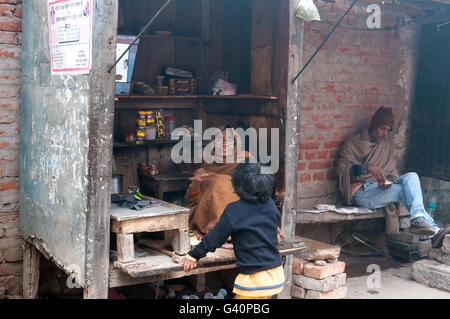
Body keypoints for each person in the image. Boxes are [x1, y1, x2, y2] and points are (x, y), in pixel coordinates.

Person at [336, 106, 449, 247]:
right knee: (406, 191)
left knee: (412, 177)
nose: (385, 133)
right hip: (361, 193)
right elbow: (342, 169)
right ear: (373, 124)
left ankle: (419, 220)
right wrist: (366, 168)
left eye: (388, 130)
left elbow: (392, 173)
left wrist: (387, 181)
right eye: (382, 128)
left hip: (381, 190)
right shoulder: (353, 143)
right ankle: (433, 230)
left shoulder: (385, 146)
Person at [182, 162, 285, 299]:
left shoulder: (234, 210)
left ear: (237, 186)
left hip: (255, 280)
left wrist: (193, 255)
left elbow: (214, 239)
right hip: (275, 274)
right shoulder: (270, 205)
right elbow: (260, 231)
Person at [185, 125, 251, 237]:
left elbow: (252, 192)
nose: (225, 144)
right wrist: (196, 183)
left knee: (220, 181)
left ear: (236, 143)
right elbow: (191, 199)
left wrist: (221, 183)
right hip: (207, 214)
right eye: (220, 140)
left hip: (237, 212)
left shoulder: (246, 160)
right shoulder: (208, 161)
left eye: (230, 140)